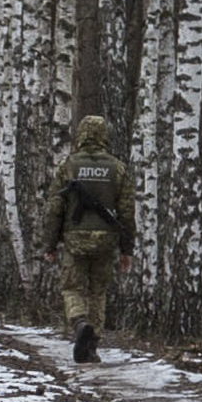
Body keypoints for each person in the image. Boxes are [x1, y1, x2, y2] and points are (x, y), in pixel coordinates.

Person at [45, 114, 134, 362]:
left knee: (72, 287)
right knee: (98, 292)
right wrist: (128, 249)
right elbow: (127, 213)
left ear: (81, 134)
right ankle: (92, 344)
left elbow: (54, 209)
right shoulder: (117, 168)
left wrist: (49, 244)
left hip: (75, 239)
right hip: (106, 241)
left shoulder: (69, 166)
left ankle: (80, 322)